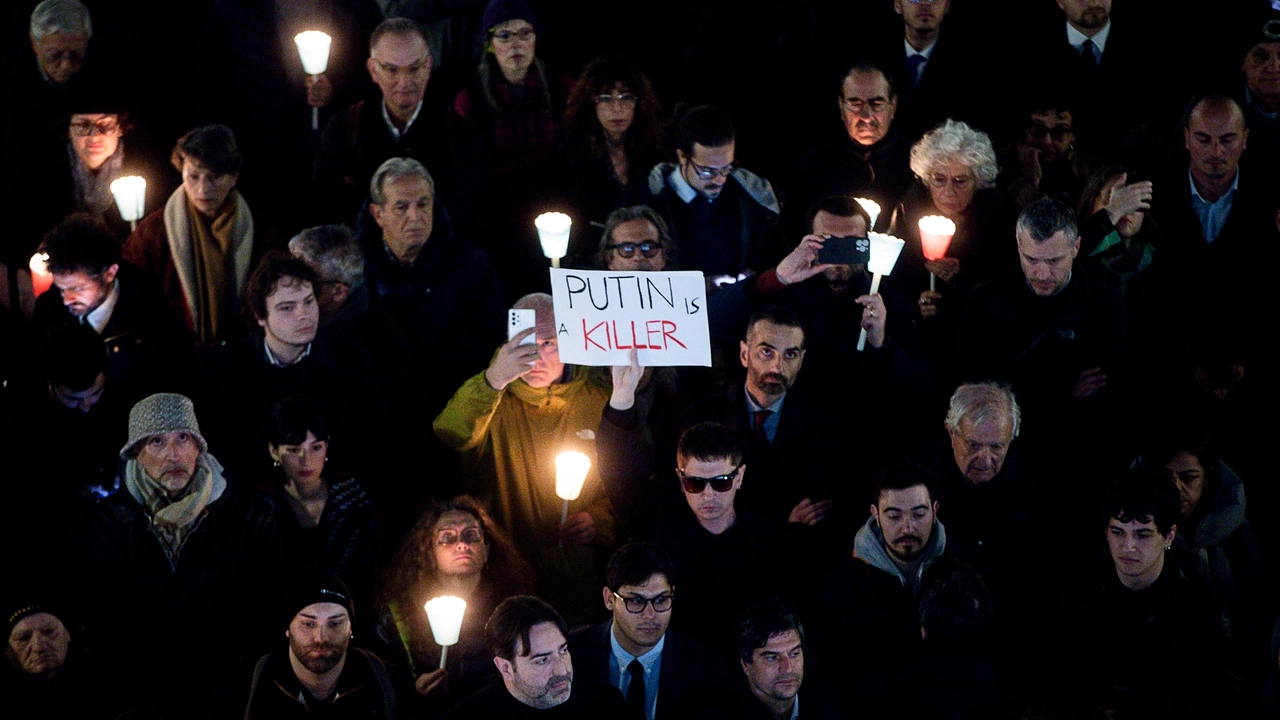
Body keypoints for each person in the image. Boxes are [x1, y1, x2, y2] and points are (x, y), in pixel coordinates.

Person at [69, 393, 285, 718]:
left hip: (229, 697)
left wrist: (236, 688)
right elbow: (95, 630)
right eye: (156, 441)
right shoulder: (100, 528)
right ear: (136, 454)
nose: (173, 454)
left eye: (183, 438)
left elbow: (266, 611)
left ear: (199, 447)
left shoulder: (251, 517)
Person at [433, 292, 615, 625]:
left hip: (575, 574)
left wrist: (597, 521)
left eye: (548, 343)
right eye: (524, 343)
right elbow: (451, 433)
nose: (535, 357)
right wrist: (493, 379)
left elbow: (623, 478)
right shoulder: (490, 394)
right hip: (504, 570)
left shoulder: (597, 396)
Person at [708, 195, 933, 455]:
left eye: (851, 245)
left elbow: (919, 394)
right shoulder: (784, 292)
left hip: (862, 444)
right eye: (827, 243)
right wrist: (778, 277)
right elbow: (714, 321)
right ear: (809, 242)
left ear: (867, 244)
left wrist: (882, 345)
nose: (839, 257)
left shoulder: (891, 303)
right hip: (794, 441)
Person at [1056, 469, 1241, 718]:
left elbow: (1223, 698)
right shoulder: (1079, 595)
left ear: (1169, 535)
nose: (1127, 547)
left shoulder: (1198, 613)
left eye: (1142, 534)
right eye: (1118, 532)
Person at [955, 198, 1128, 461]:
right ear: (1018, 245)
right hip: (1004, 451)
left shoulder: (1103, 305)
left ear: (1076, 247)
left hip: (1075, 449)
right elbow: (974, 382)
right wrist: (1063, 390)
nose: (1042, 273)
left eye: (1054, 260)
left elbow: (1108, 390)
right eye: (1031, 259)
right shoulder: (986, 301)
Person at [197, 251, 389, 483]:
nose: (303, 315)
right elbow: (222, 447)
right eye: (287, 308)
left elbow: (370, 438)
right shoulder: (227, 367)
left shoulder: (349, 358)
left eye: (309, 302)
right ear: (261, 315)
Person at [358, 157, 504, 411]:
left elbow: (490, 342)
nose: (415, 217)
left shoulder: (470, 265)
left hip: (455, 405)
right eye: (401, 207)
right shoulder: (357, 271)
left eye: (423, 204)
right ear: (378, 214)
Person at [681, 305, 844, 531]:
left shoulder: (821, 427)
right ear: (744, 354)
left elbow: (818, 508)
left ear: (802, 359)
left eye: (790, 354)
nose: (777, 367)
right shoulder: (699, 419)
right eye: (767, 352)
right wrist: (782, 523)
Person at [637, 422, 790, 659]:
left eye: (721, 482)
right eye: (695, 483)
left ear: (739, 477)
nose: (708, 495)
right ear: (680, 479)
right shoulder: (659, 546)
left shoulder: (769, 543)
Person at [314, 17, 483, 228]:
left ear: (428, 66)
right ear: (373, 70)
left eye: (414, 69)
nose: (404, 83)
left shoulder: (459, 133)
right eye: (392, 70)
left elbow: (461, 211)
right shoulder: (343, 130)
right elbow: (328, 205)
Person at [375, 497, 534, 713]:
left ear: (486, 549)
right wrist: (416, 694)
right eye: (447, 538)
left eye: (471, 535)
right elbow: (386, 691)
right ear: (430, 552)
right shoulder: (400, 615)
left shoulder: (514, 609)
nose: (462, 544)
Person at [1138, 426, 1269, 680]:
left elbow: (1256, 608)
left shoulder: (1237, 534)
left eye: (1188, 478)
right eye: (1166, 477)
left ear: (1207, 478)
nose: (1175, 488)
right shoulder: (1132, 531)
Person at [813, 458, 953, 687]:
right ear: (875, 514)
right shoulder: (844, 583)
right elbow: (829, 669)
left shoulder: (962, 572)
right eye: (894, 516)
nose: (907, 527)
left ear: (935, 511)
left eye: (918, 514)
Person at [206, 569, 419, 719]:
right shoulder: (247, 689)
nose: (321, 637)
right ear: (287, 628)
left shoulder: (389, 683)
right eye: (308, 624)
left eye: (335, 623)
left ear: (351, 628)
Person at [1153, 95, 1276, 341]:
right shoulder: (1156, 200)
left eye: (1227, 139)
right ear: (1187, 139)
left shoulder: (1270, 201)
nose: (1216, 152)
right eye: (1204, 139)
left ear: (1245, 139)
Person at [122, 124, 257, 343]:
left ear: (234, 177)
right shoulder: (153, 233)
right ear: (181, 171)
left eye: (213, 177)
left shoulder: (259, 229)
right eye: (194, 177)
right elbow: (135, 300)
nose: (203, 189)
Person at [568, 543, 732, 720]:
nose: (650, 615)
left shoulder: (707, 670)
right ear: (609, 599)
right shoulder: (572, 657)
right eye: (636, 601)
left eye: (661, 600)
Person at [31, 213, 191, 391]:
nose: (67, 300)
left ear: (109, 273)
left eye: (78, 288)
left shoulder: (148, 306)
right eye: (61, 288)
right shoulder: (48, 311)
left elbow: (171, 375)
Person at [261, 396, 379, 611]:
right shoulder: (259, 508)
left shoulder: (355, 501)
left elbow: (366, 572)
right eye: (294, 450)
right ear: (274, 451)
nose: (306, 460)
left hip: (347, 612)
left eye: (316, 447)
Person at [888, 119, 1012, 324]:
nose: (949, 191)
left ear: (977, 180)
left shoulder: (996, 217)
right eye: (939, 179)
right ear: (927, 179)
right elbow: (893, 276)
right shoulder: (908, 210)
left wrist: (959, 280)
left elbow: (1003, 289)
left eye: (960, 181)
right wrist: (916, 303)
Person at [643, 104, 783, 281]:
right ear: (682, 157)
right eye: (707, 171)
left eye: (726, 168)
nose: (719, 180)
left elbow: (773, 257)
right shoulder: (651, 198)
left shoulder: (752, 198)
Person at [554, 53, 665, 262]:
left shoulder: (655, 151)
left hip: (646, 259)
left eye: (626, 97)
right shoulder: (572, 154)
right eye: (605, 98)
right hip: (590, 260)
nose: (617, 108)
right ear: (591, 102)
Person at [786, 59, 914, 237]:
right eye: (856, 104)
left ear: (893, 106)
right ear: (841, 106)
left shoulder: (917, 164)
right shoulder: (814, 164)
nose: (867, 116)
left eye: (877, 104)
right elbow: (792, 230)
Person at [442, 596, 625, 718]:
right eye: (542, 660)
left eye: (563, 651)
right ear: (505, 667)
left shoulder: (605, 705)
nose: (562, 670)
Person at [732, 601, 841, 719]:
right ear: (745, 665)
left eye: (794, 654)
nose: (788, 668)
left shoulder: (827, 706)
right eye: (772, 658)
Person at [996, 95, 1101, 212]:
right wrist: (1028, 187)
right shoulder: (997, 168)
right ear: (1025, 129)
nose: (1047, 142)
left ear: (1073, 136)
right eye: (1038, 128)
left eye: (1060, 131)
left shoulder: (1090, 171)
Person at [1, 597, 91, 715]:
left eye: (49, 631)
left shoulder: (103, 684)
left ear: (67, 634)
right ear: (7, 650)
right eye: (23, 638)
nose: (39, 647)